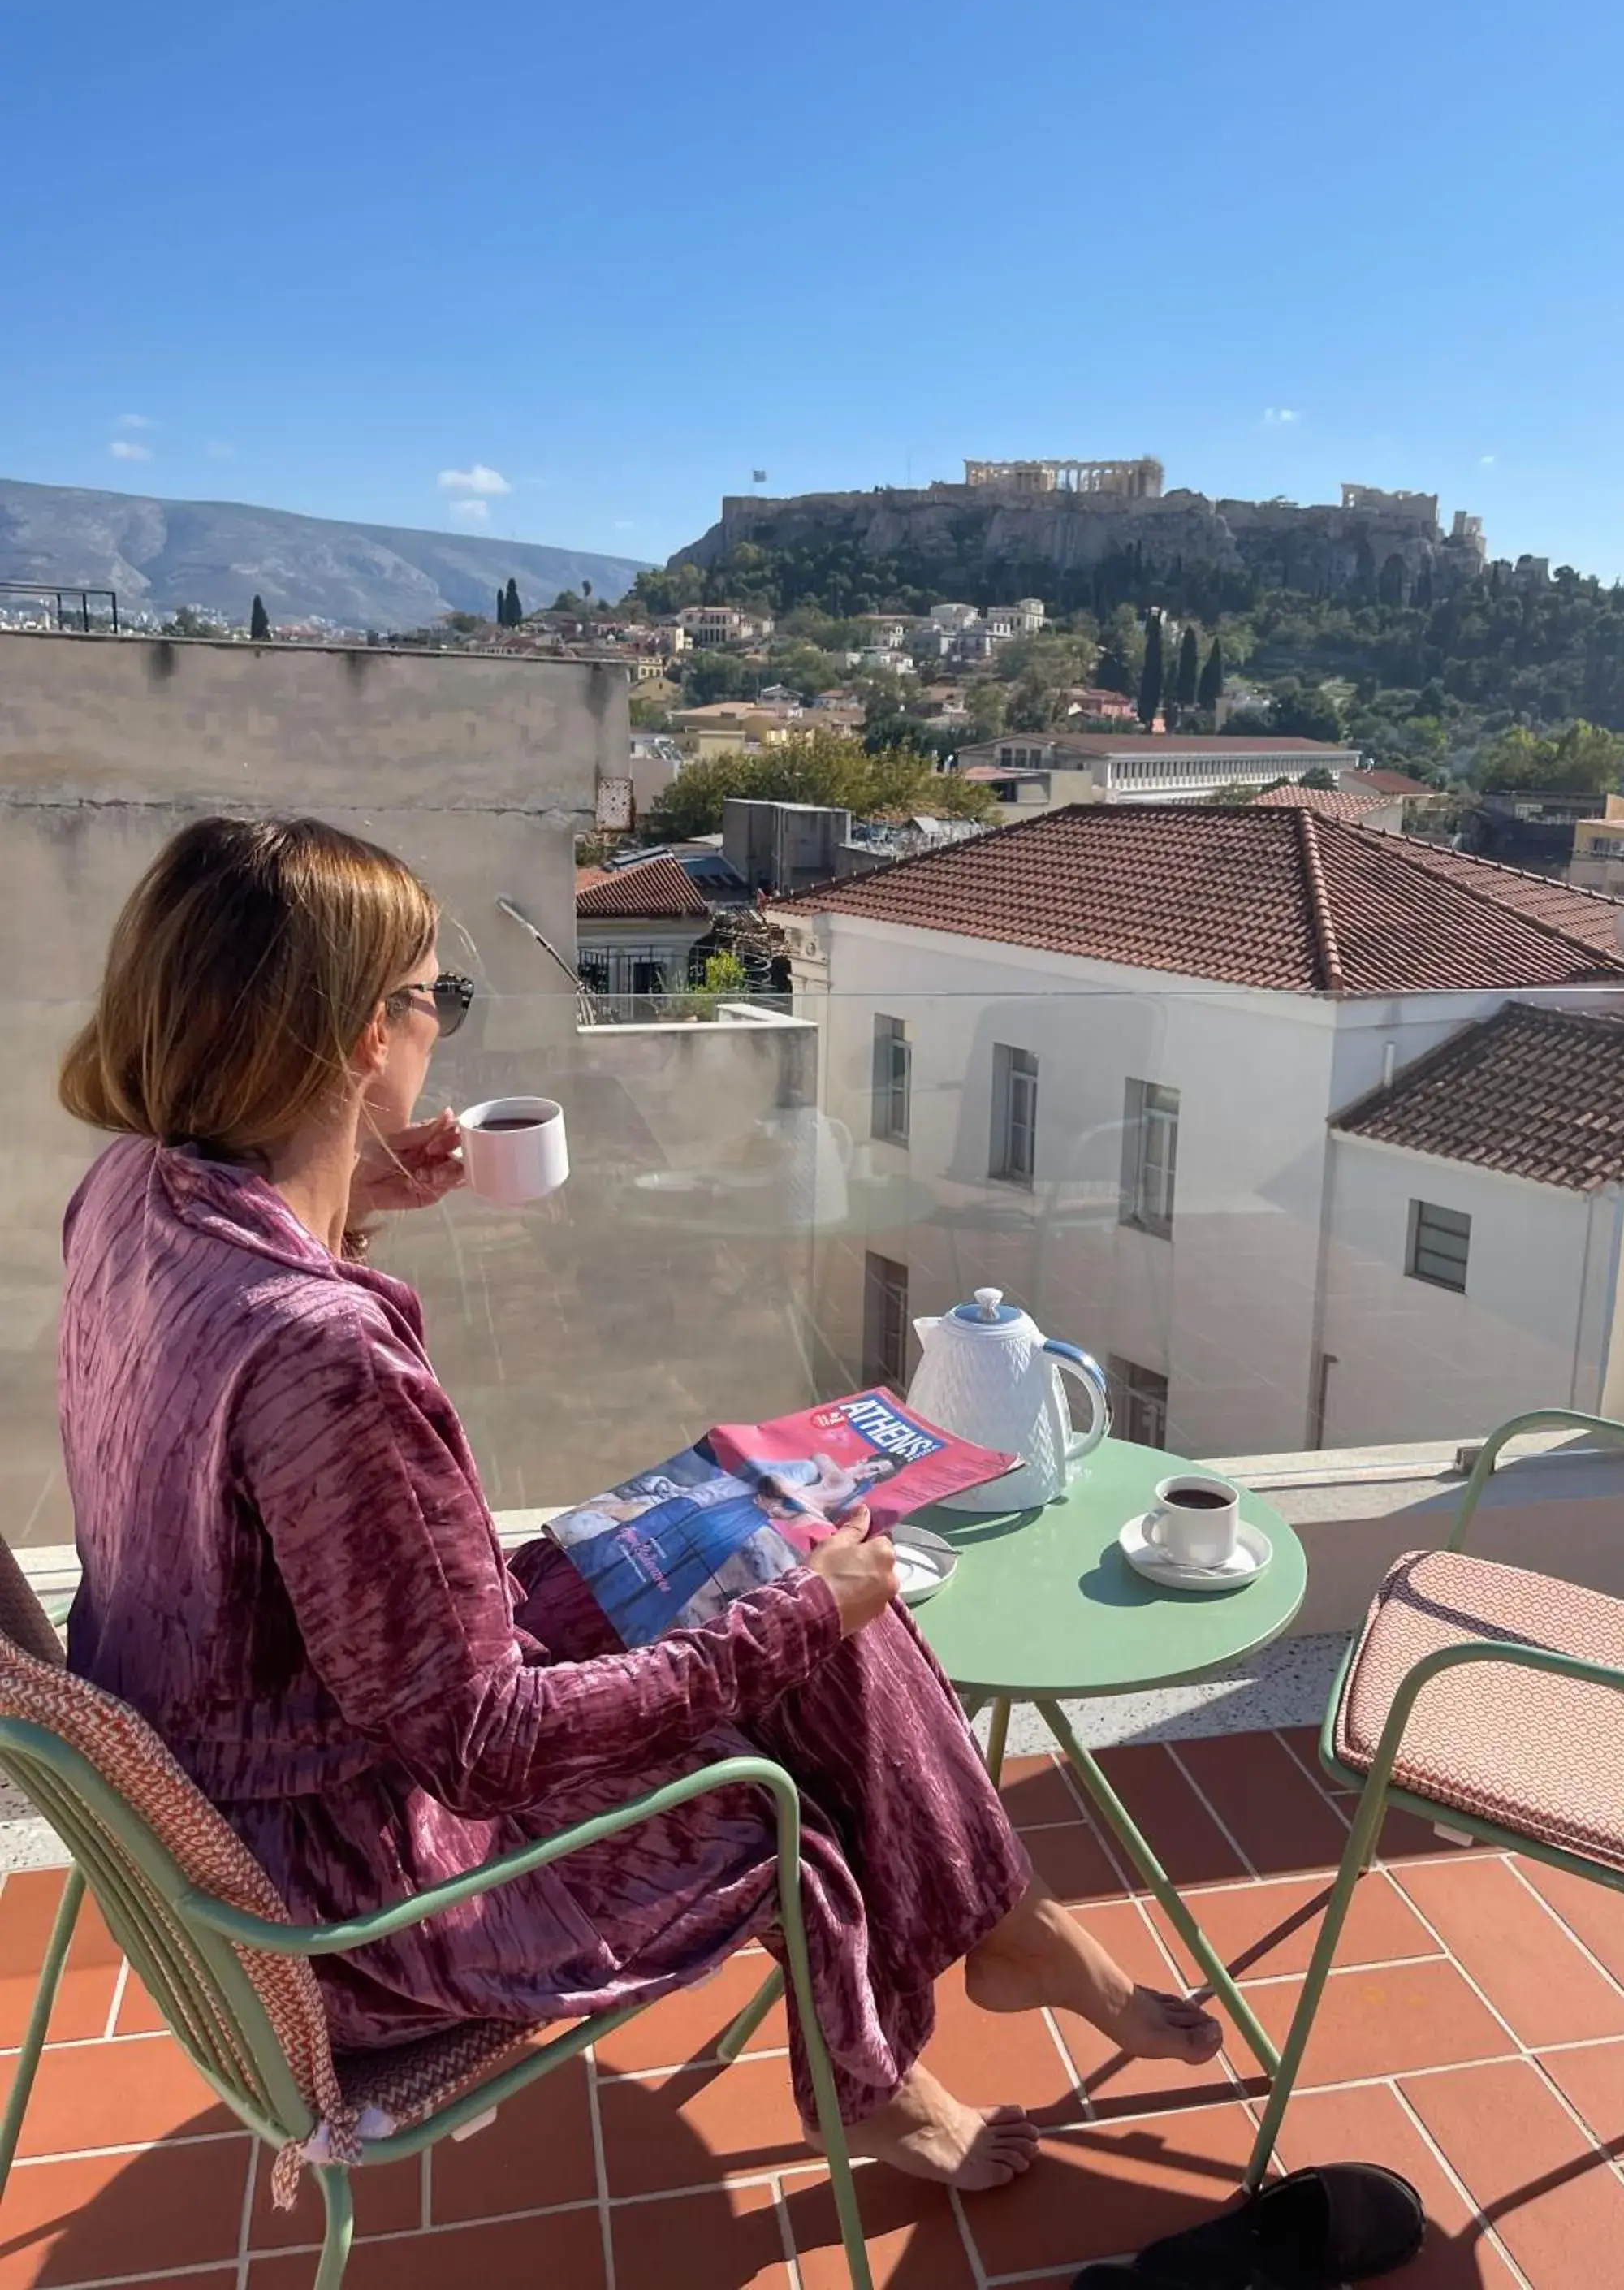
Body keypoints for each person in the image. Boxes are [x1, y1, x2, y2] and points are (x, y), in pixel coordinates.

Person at [55, 816, 1223, 2197]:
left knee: (772, 1535)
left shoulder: (136, 1195)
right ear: (365, 1036)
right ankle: (909, 2049)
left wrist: (358, 1190)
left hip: (245, 1789)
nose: (442, 1030)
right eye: (437, 998)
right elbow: (478, 1748)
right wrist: (793, 1626)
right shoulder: (324, 1349)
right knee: (793, 1700)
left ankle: (1005, 1943)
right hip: (355, 1895)